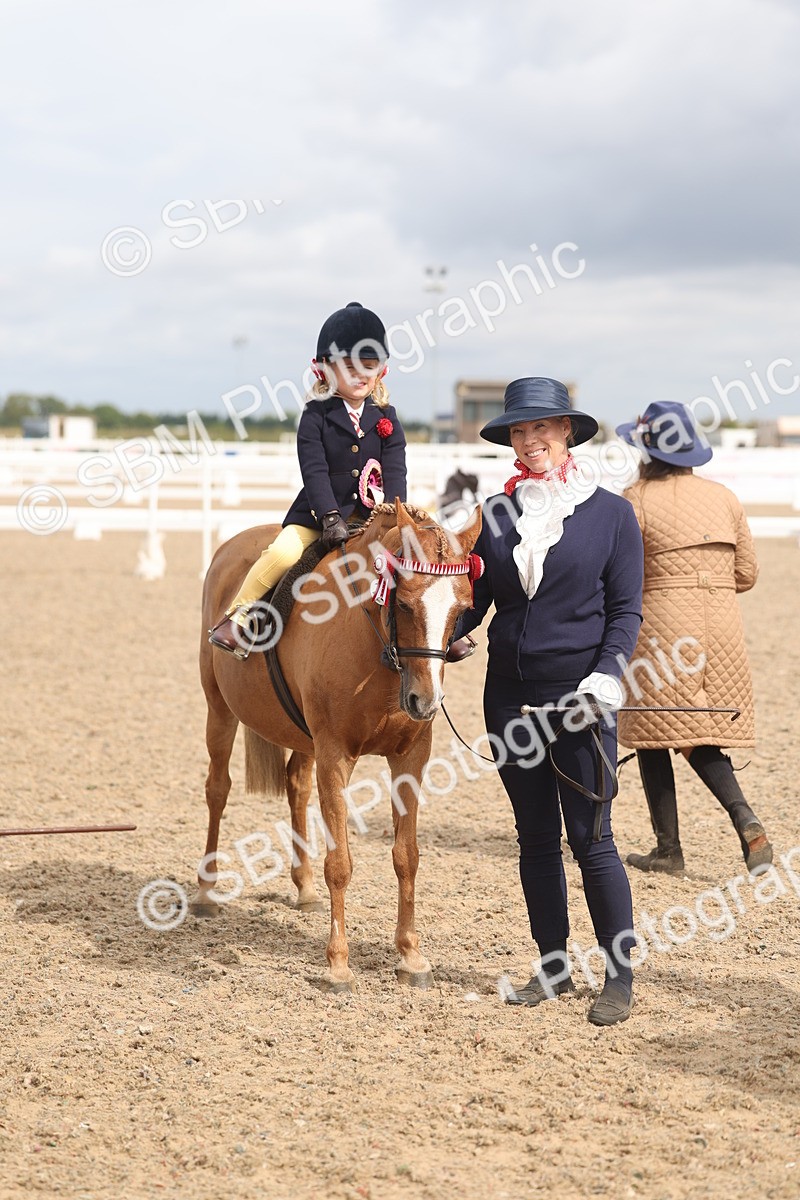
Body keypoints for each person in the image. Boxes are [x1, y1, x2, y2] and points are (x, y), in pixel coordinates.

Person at [453, 378, 644, 1027]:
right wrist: (451, 635)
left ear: (566, 431)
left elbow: (625, 611)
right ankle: (554, 964)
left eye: (541, 429)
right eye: (518, 431)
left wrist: (606, 676)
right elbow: (478, 599)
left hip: (582, 695)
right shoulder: (495, 514)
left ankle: (618, 975)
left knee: (592, 839)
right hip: (508, 694)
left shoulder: (612, 515)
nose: (529, 441)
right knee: (534, 836)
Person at [615, 401, 772, 875]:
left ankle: (669, 848)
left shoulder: (635, 498)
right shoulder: (725, 496)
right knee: (696, 728)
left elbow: (622, 574)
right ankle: (743, 819)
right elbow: (747, 573)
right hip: (722, 625)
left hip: (662, 626)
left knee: (655, 731)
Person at [209, 302, 407, 657]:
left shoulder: (386, 417)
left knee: (420, 557)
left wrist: (396, 517)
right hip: (319, 518)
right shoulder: (317, 415)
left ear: (382, 370)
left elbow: (395, 469)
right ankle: (237, 617)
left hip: (372, 518)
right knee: (283, 553)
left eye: (369, 365)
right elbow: (313, 470)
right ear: (327, 370)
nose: (361, 374)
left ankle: (446, 632)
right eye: (349, 366)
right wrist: (329, 516)